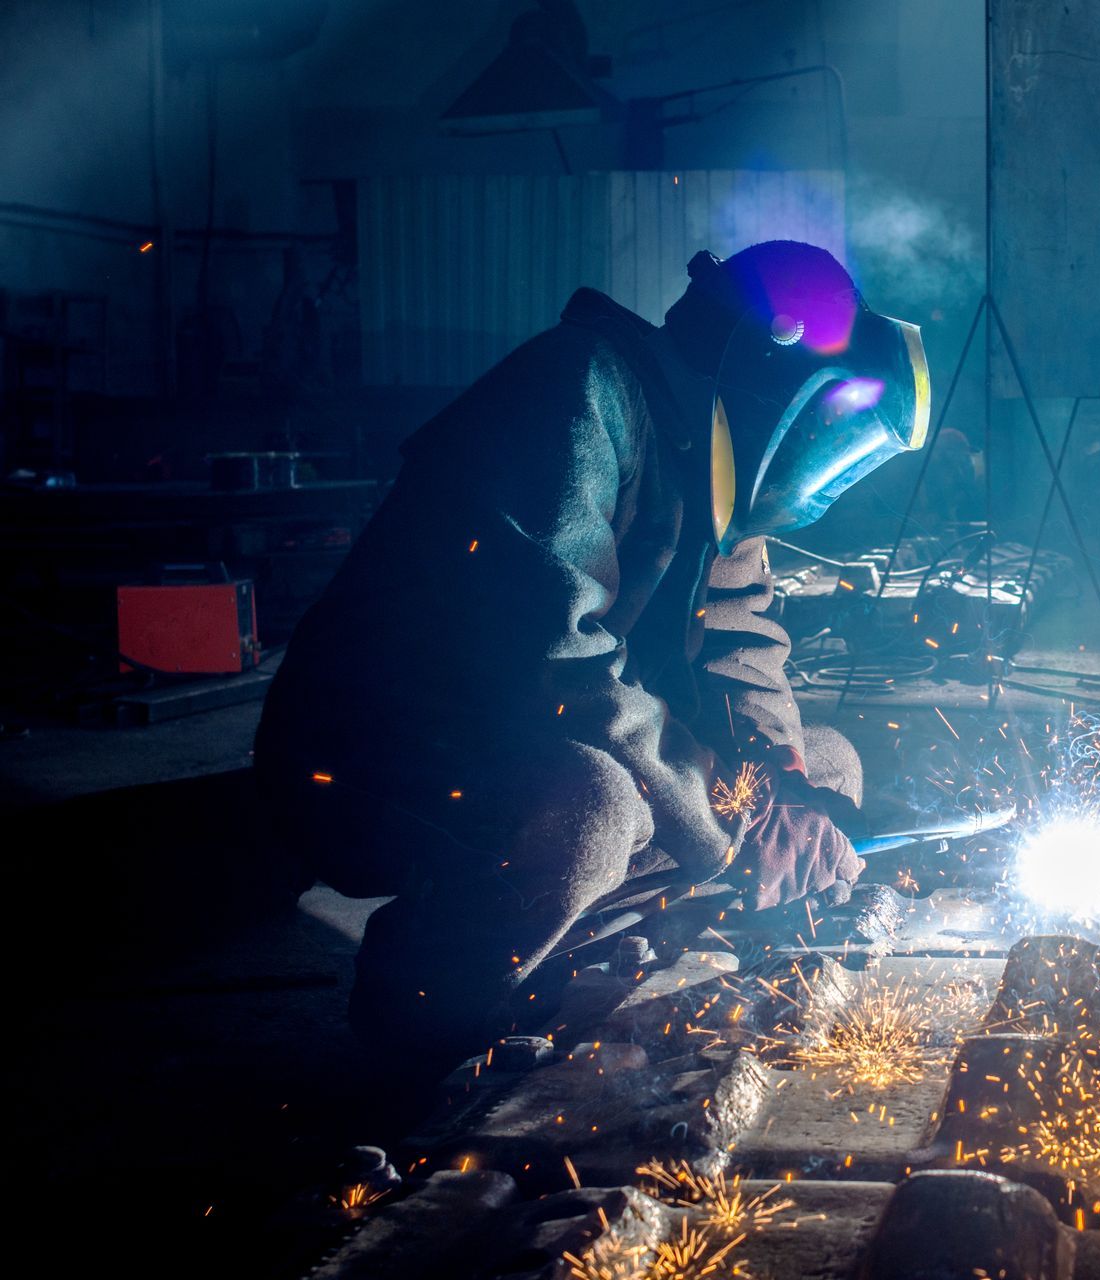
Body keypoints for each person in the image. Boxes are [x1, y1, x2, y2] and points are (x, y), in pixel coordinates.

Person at [255, 242, 931, 1064]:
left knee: (824, 765)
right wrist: (744, 817)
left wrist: (781, 789)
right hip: (382, 756)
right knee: (594, 810)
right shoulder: (577, 393)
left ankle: (648, 952)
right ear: (765, 366)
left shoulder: (712, 461)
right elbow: (555, 660)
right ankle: (420, 1032)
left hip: (541, 738)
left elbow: (741, 649)